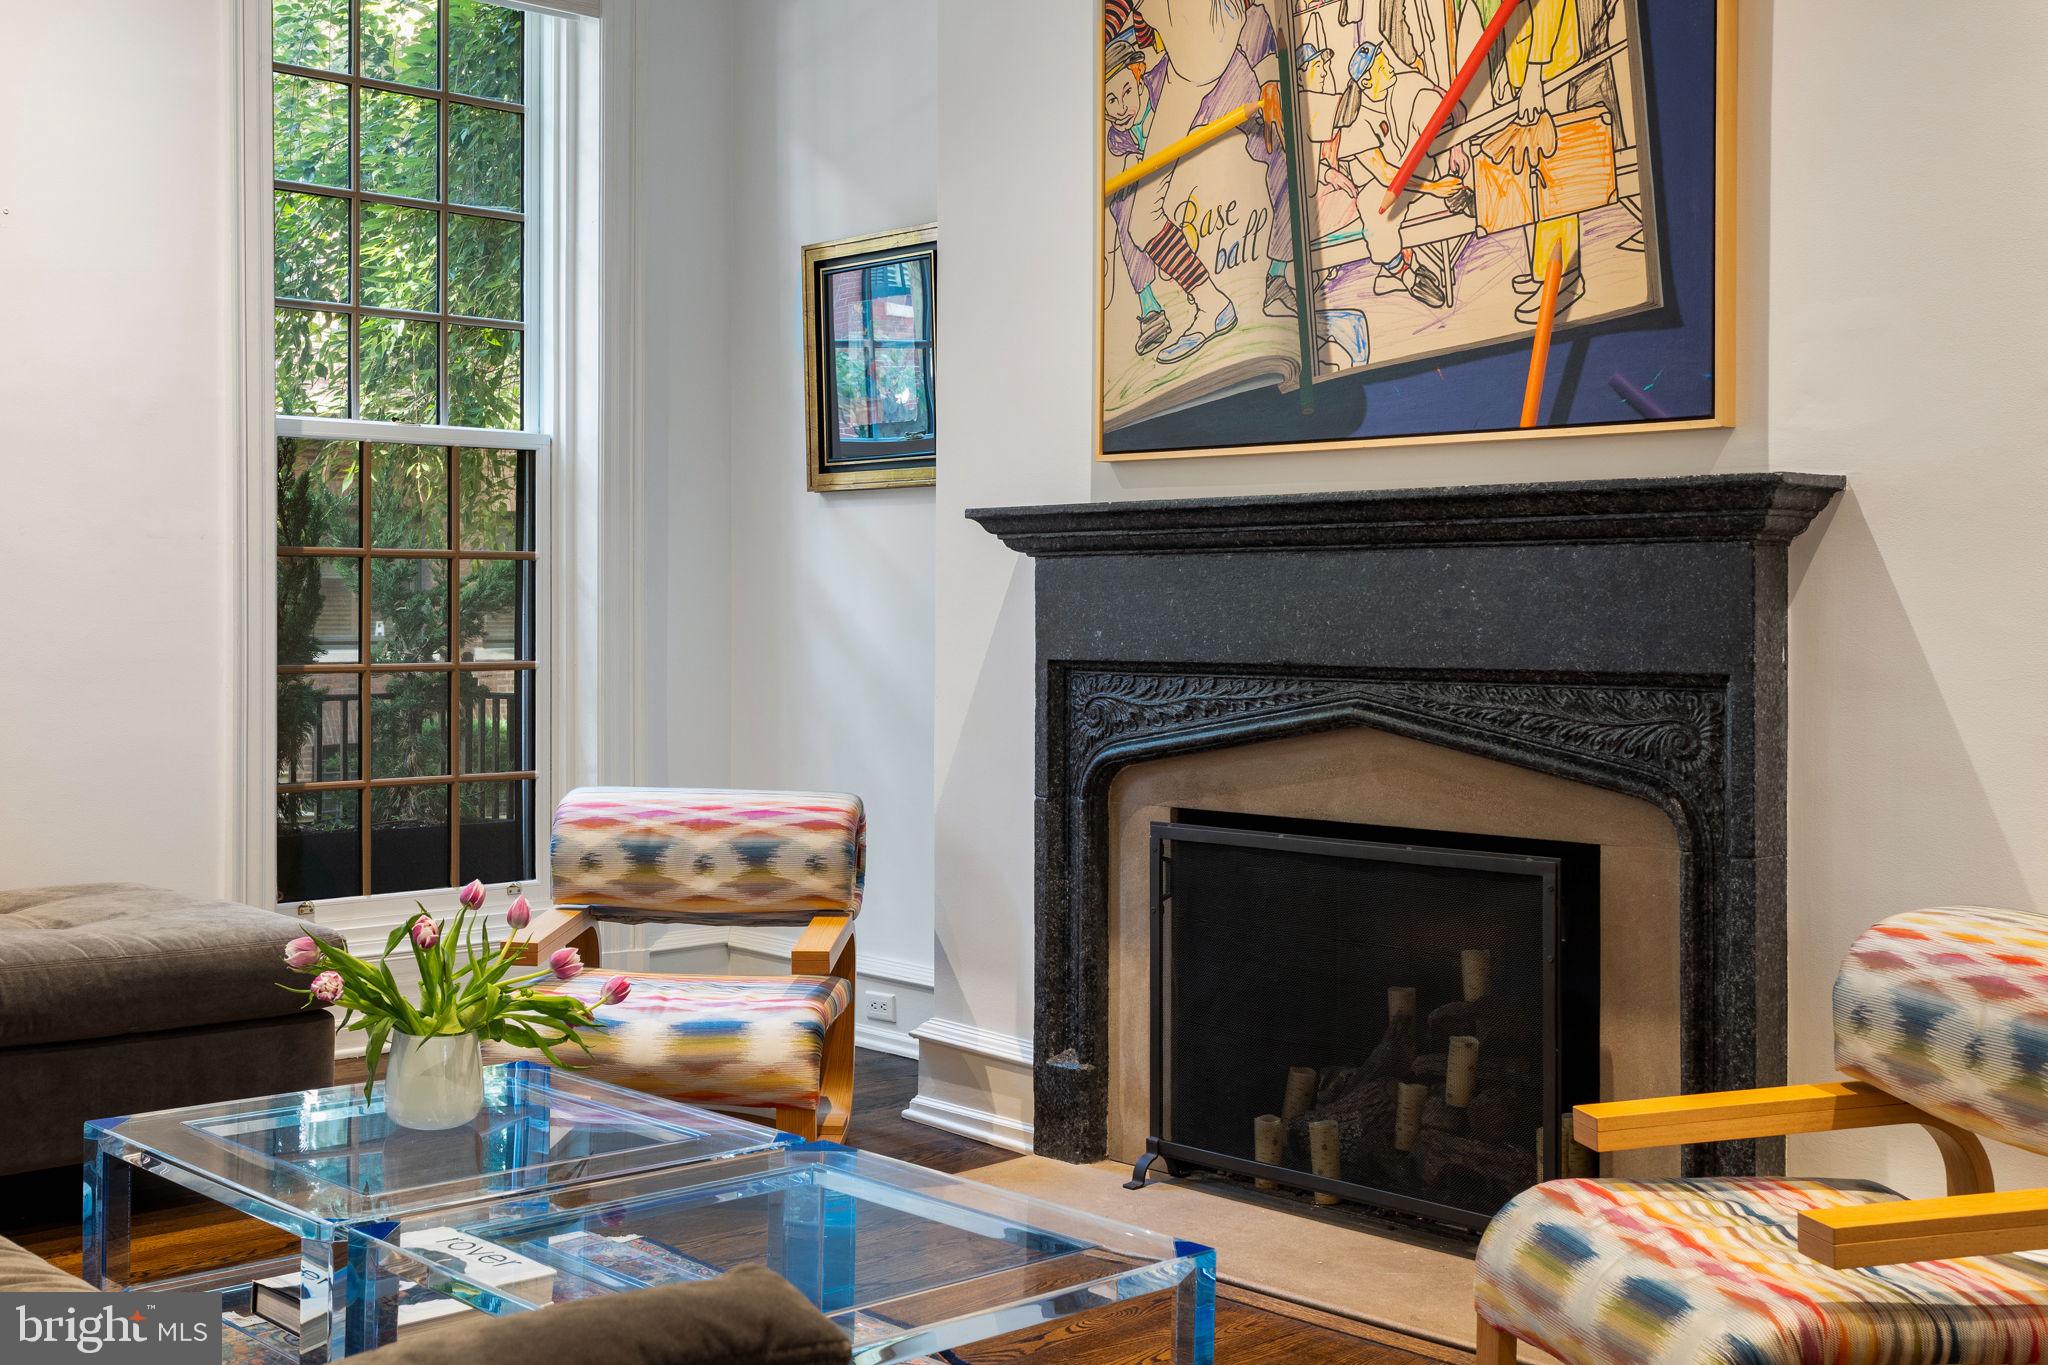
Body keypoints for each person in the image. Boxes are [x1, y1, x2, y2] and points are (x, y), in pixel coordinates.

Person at [1477, 0, 1587, 321]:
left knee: (1549, 172)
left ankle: (1563, 277)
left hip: (1548, 63)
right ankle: (1540, 271)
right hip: (1525, 62)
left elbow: (1550, 7)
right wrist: (1506, 66)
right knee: (1528, 169)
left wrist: (1534, 75)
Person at [1334, 34, 1461, 307]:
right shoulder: (1355, 123)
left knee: (1425, 103)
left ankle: (1457, 194)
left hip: (1410, 171)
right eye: (1381, 66)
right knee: (1375, 212)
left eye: (1385, 61)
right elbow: (1385, 176)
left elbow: (1443, 100)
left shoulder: (1400, 86)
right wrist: (1434, 189)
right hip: (1381, 190)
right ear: (1366, 82)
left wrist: (1456, 147)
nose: (1389, 66)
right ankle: (1405, 274)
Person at [1103, 38, 1173, 355]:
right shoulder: (1116, 138)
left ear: (1139, 75)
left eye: (1127, 91)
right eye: (1111, 101)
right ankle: (1150, 308)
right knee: (1121, 204)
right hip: (1159, 179)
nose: (1122, 108)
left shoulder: (1163, 81)